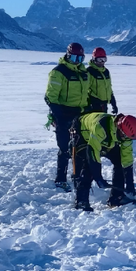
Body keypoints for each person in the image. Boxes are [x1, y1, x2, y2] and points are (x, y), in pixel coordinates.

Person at [71, 112, 136, 211]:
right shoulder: (101, 128)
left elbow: (126, 160)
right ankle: (81, 201)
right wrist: (98, 177)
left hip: (107, 140)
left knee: (119, 161)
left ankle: (116, 198)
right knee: (87, 166)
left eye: (128, 138)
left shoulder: (126, 136)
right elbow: (93, 153)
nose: (126, 139)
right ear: (119, 128)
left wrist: (130, 184)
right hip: (83, 135)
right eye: (124, 136)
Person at [44, 42, 89, 192]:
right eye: (74, 58)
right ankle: (60, 179)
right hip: (63, 114)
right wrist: (59, 116)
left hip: (80, 115)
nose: (77, 62)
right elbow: (50, 97)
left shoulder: (83, 73)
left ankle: (80, 175)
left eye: (80, 59)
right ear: (68, 55)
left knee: (81, 147)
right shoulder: (59, 72)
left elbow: (86, 94)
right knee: (65, 149)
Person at [87, 47, 119, 115]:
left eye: (104, 59)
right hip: (93, 107)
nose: (102, 62)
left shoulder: (106, 72)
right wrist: (93, 102)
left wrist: (113, 103)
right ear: (94, 59)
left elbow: (109, 88)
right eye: (99, 59)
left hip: (104, 106)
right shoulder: (89, 72)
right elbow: (85, 90)